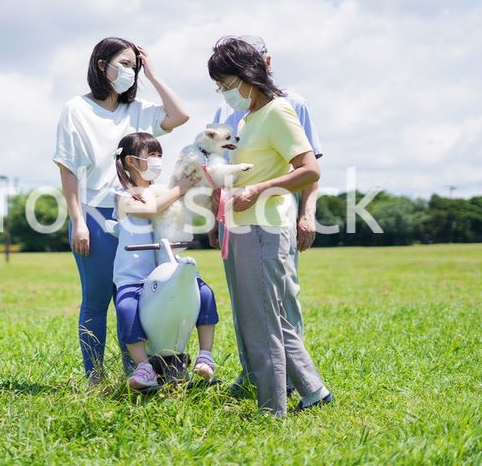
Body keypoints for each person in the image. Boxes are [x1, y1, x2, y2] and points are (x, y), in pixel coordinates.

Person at [52, 37, 190, 385]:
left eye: (134, 66)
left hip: (140, 215)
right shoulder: (76, 109)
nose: (130, 72)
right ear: (102, 65)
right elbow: (67, 171)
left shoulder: (139, 110)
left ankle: (139, 373)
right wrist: (78, 222)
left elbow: (180, 115)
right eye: (124, 64)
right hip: (96, 216)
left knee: (139, 297)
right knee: (97, 301)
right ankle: (95, 379)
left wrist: (154, 74)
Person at [208, 37, 333, 416]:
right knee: (266, 315)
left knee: (261, 320)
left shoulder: (279, 111)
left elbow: (309, 169)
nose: (224, 93)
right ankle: (313, 392)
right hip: (243, 228)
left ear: (250, 75)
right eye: (219, 86)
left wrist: (258, 191)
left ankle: (272, 408)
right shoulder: (248, 119)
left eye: (228, 84)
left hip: (266, 227)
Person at [111, 132, 219, 389]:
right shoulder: (122, 195)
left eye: (161, 155)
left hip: (168, 268)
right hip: (133, 276)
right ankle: (143, 367)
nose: (158, 161)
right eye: (152, 156)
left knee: (205, 294)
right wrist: (180, 188)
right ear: (131, 161)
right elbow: (151, 209)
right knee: (126, 309)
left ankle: (205, 355)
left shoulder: (162, 190)